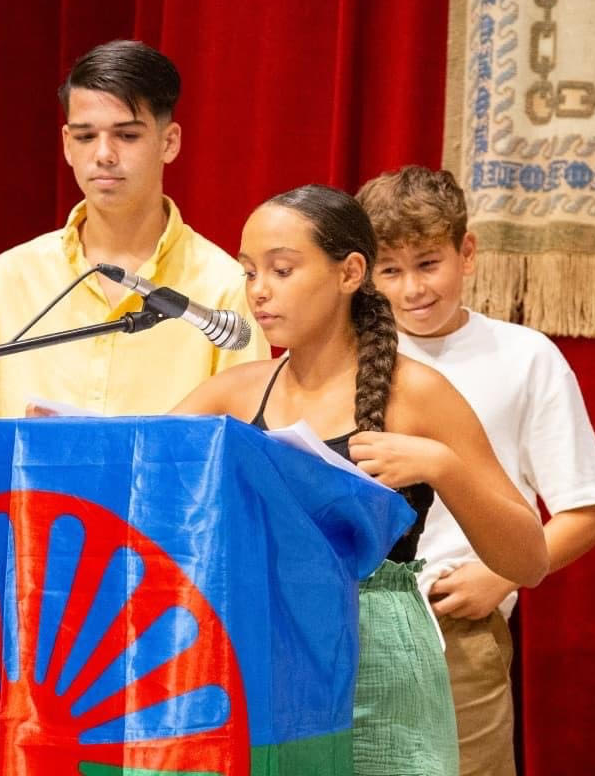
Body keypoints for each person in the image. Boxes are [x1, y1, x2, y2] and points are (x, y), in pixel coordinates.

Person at [172, 184, 550, 776]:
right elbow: (141, 478)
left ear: (350, 272)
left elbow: (528, 559)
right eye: (250, 272)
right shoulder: (232, 393)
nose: (259, 291)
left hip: (378, 667)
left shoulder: (418, 392)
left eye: (282, 269)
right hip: (261, 655)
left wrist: (442, 467)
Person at [355, 165, 595, 776]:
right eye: (390, 270)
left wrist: (502, 576)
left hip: (458, 630)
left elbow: (589, 508)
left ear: (466, 252)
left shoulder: (526, 357)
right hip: (350, 625)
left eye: (428, 264)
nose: (412, 288)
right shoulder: (345, 355)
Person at [0, 40, 269, 418]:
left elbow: (239, 450)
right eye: (86, 136)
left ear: (169, 142)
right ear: (67, 145)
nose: (104, 154)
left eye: (127, 136)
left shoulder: (224, 288)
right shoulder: (14, 276)